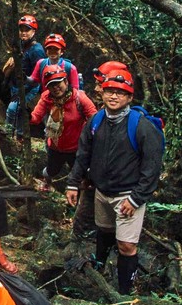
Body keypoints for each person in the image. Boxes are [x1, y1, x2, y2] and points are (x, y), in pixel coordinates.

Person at [65, 62, 166, 292]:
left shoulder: (142, 127)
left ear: (130, 98)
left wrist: (136, 199)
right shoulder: (97, 121)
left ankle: (124, 292)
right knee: (104, 229)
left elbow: (152, 168)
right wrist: (73, 183)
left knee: (126, 245)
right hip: (102, 191)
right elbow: (83, 154)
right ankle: (100, 266)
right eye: (110, 91)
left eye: (120, 93)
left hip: (128, 195)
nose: (113, 96)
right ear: (102, 93)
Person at [29, 70, 97, 190]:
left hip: (76, 148)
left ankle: (80, 199)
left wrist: (89, 137)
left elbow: (95, 118)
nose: (55, 88)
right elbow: (36, 117)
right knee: (51, 171)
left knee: (80, 175)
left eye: (58, 83)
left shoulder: (79, 98)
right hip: (55, 147)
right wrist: (28, 116)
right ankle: (47, 182)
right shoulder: (46, 98)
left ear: (66, 82)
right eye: (51, 85)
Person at [2, 14, 44, 138]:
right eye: (22, 30)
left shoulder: (37, 50)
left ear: (34, 31)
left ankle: (7, 135)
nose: (24, 33)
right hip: (16, 85)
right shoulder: (20, 45)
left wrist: (24, 90)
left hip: (29, 87)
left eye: (27, 30)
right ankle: (20, 136)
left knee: (12, 109)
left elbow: (38, 74)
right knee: (19, 112)